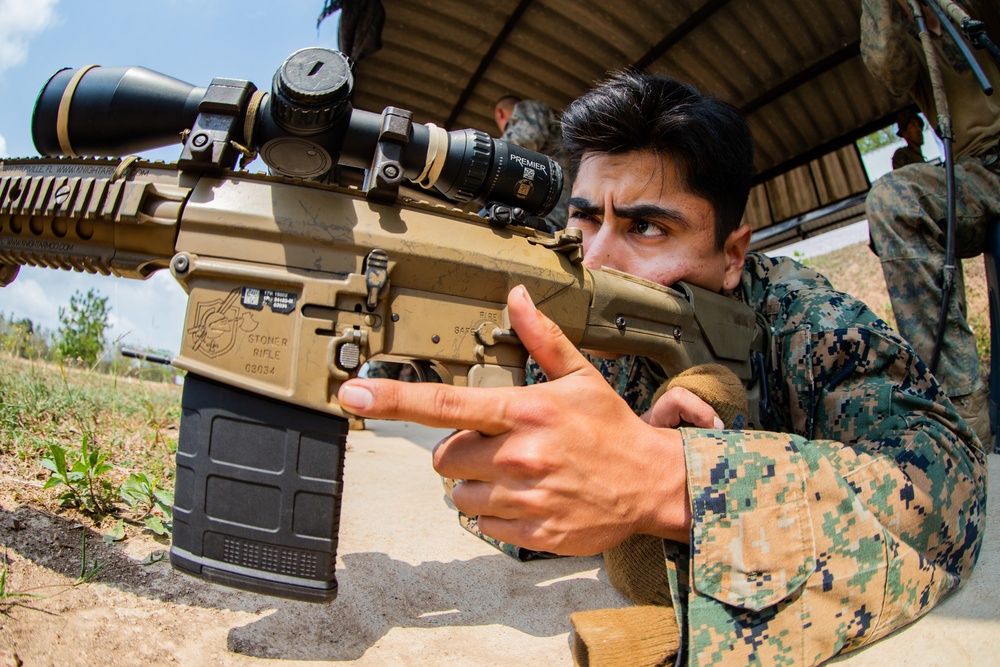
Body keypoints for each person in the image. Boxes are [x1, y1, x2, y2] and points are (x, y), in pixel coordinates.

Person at [339, 71, 986, 666]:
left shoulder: (805, 322)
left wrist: (667, 481)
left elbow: (946, 483)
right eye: (585, 218)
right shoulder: (559, 325)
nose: (596, 258)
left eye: (646, 228)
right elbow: (492, 496)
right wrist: (588, 466)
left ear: (732, 255)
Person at [861, 0, 1000, 446]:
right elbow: (886, 65)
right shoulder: (910, 38)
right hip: (979, 174)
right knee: (892, 199)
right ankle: (960, 402)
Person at [494, 95, 571, 231]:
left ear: (500, 114)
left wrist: (493, 151)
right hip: (548, 208)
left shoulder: (526, 108)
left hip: (546, 209)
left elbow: (527, 139)